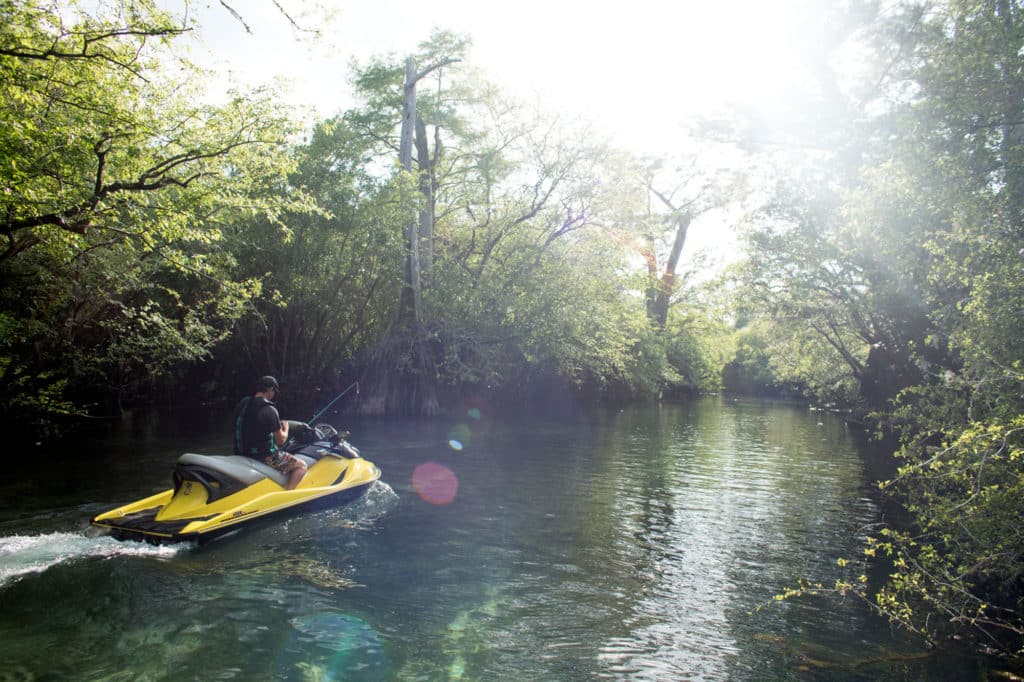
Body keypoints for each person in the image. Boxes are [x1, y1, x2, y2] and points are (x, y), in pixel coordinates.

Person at [234, 375, 307, 490]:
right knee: (302, 466)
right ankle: (289, 493)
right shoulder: (269, 409)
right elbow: (280, 441)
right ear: (270, 389)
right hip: (264, 457)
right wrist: (286, 429)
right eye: (274, 391)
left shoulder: (243, 403)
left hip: (242, 452)